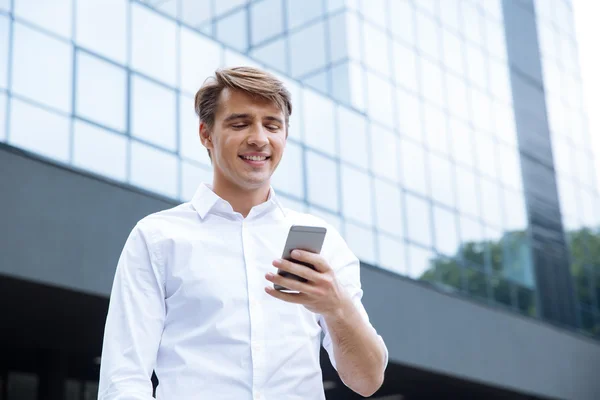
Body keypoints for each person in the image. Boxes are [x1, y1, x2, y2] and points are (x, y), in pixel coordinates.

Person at [98, 66, 388, 399]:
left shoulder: (324, 241)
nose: (259, 138)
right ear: (206, 134)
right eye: (240, 123)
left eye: (272, 125)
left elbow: (368, 381)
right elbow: (124, 378)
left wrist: (337, 307)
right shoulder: (157, 237)